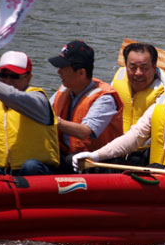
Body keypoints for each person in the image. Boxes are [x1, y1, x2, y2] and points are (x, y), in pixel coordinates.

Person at [72, 61, 165, 180]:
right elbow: (133, 138)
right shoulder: (158, 108)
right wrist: (96, 155)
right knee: (107, 164)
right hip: (156, 175)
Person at [0, 51, 59, 175]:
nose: (7, 81)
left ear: (28, 77)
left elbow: (13, 96)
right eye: (3, 75)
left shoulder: (37, 99)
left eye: (14, 76)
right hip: (5, 170)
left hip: (38, 170)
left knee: (29, 166)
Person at [49, 40, 124, 173]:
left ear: (81, 73)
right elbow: (45, 109)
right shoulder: (64, 90)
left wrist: (53, 121)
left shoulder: (104, 97)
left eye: (64, 68)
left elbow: (84, 132)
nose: (59, 72)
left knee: (70, 160)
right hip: (67, 154)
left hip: (97, 161)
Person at [111, 42, 165, 165]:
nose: (138, 73)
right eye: (133, 67)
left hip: (144, 151)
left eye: (144, 68)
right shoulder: (118, 78)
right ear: (125, 66)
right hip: (116, 145)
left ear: (154, 66)